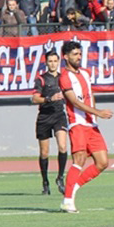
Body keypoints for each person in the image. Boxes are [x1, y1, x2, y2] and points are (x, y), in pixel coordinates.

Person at [59, 41, 114, 213]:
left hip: (91, 124)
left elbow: (90, 95)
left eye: (79, 54)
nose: (78, 57)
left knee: (103, 162)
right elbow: (74, 101)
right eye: (75, 54)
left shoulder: (85, 73)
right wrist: (97, 112)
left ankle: (73, 187)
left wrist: (95, 116)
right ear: (65, 57)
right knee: (80, 159)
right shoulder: (64, 77)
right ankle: (67, 200)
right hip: (77, 123)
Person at [32, 51, 68, 195]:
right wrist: (49, 98)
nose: (53, 63)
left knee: (63, 146)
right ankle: (45, 181)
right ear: (46, 63)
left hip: (59, 115)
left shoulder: (64, 78)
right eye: (50, 61)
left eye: (55, 61)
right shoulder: (41, 79)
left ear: (59, 62)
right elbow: (35, 99)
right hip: (44, 117)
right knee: (44, 152)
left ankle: (60, 177)